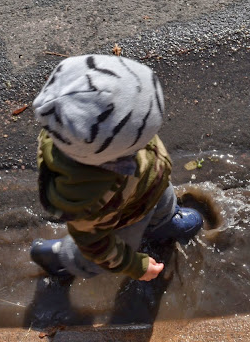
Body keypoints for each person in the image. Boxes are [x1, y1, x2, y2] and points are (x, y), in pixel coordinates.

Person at [30, 54, 203, 282]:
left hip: (147, 186)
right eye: (145, 136)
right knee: (93, 257)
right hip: (124, 218)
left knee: (163, 197)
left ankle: (163, 222)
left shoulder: (102, 140)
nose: (152, 138)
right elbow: (97, 246)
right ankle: (59, 257)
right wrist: (136, 265)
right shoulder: (85, 198)